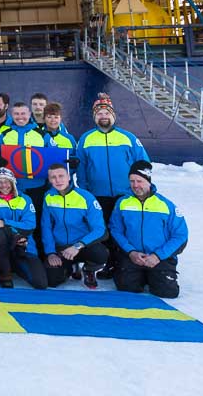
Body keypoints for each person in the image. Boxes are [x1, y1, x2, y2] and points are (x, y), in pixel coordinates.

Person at [77, 93, 149, 277]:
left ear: (113, 115)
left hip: (125, 195)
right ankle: (108, 264)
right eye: (99, 113)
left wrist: (140, 190)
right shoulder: (86, 139)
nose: (103, 116)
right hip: (98, 195)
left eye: (106, 113)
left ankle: (126, 264)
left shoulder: (128, 138)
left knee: (126, 229)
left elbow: (143, 165)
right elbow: (82, 168)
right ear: (95, 117)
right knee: (104, 232)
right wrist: (85, 192)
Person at [110, 161, 188, 298]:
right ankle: (140, 274)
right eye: (132, 181)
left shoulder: (165, 205)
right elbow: (116, 230)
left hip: (159, 257)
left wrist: (158, 256)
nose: (135, 185)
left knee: (167, 292)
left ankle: (153, 275)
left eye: (139, 181)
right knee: (127, 288)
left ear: (148, 181)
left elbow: (180, 235)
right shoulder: (122, 202)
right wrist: (131, 252)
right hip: (133, 256)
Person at [40, 162, 108, 289]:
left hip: (82, 246)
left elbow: (99, 229)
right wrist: (51, 253)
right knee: (52, 280)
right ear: (49, 180)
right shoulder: (48, 196)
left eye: (61, 176)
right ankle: (70, 268)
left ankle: (89, 269)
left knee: (101, 254)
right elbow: (46, 226)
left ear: (69, 177)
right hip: (62, 247)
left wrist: (78, 246)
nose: (58, 180)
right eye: (53, 177)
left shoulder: (86, 197)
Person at [0, 168, 45, 289]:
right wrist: (11, 228)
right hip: (3, 245)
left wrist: (5, 222)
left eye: (6, 181)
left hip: (23, 245)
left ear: (13, 182)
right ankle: (5, 274)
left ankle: (16, 265)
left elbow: (30, 225)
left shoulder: (25, 199)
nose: (3, 185)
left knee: (40, 283)